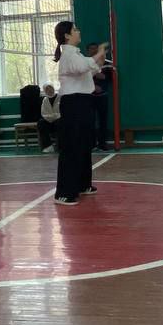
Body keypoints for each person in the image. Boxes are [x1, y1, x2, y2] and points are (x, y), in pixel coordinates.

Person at [54, 21, 104, 205]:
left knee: (84, 145)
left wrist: (98, 60)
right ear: (67, 35)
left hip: (83, 102)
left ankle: (83, 184)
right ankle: (64, 193)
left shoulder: (77, 54)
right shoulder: (68, 54)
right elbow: (82, 67)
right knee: (71, 147)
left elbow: (88, 72)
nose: (78, 31)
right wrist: (97, 54)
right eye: (75, 29)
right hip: (73, 104)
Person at [87, 42, 114, 151]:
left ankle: (102, 144)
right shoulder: (85, 63)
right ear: (87, 51)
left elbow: (110, 78)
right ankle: (91, 145)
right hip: (89, 97)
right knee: (90, 121)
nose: (93, 51)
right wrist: (93, 86)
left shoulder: (108, 64)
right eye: (91, 49)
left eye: (95, 49)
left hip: (102, 97)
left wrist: (101, 76)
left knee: (103, 121)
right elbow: (82, 78)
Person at [39, 83, 60, 153]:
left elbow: (63, 111)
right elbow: (44, 113)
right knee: (41, 123)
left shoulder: (60, 97)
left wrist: (55, 116)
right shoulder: (45, 100)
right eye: (47, 89)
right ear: (45, 91)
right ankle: (48, 146)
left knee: (60, 123)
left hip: (58, 120)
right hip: (49, 121)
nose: (49, 90)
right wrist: (51, 117)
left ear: (53, 88)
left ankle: (60, 146)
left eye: (50, 88)